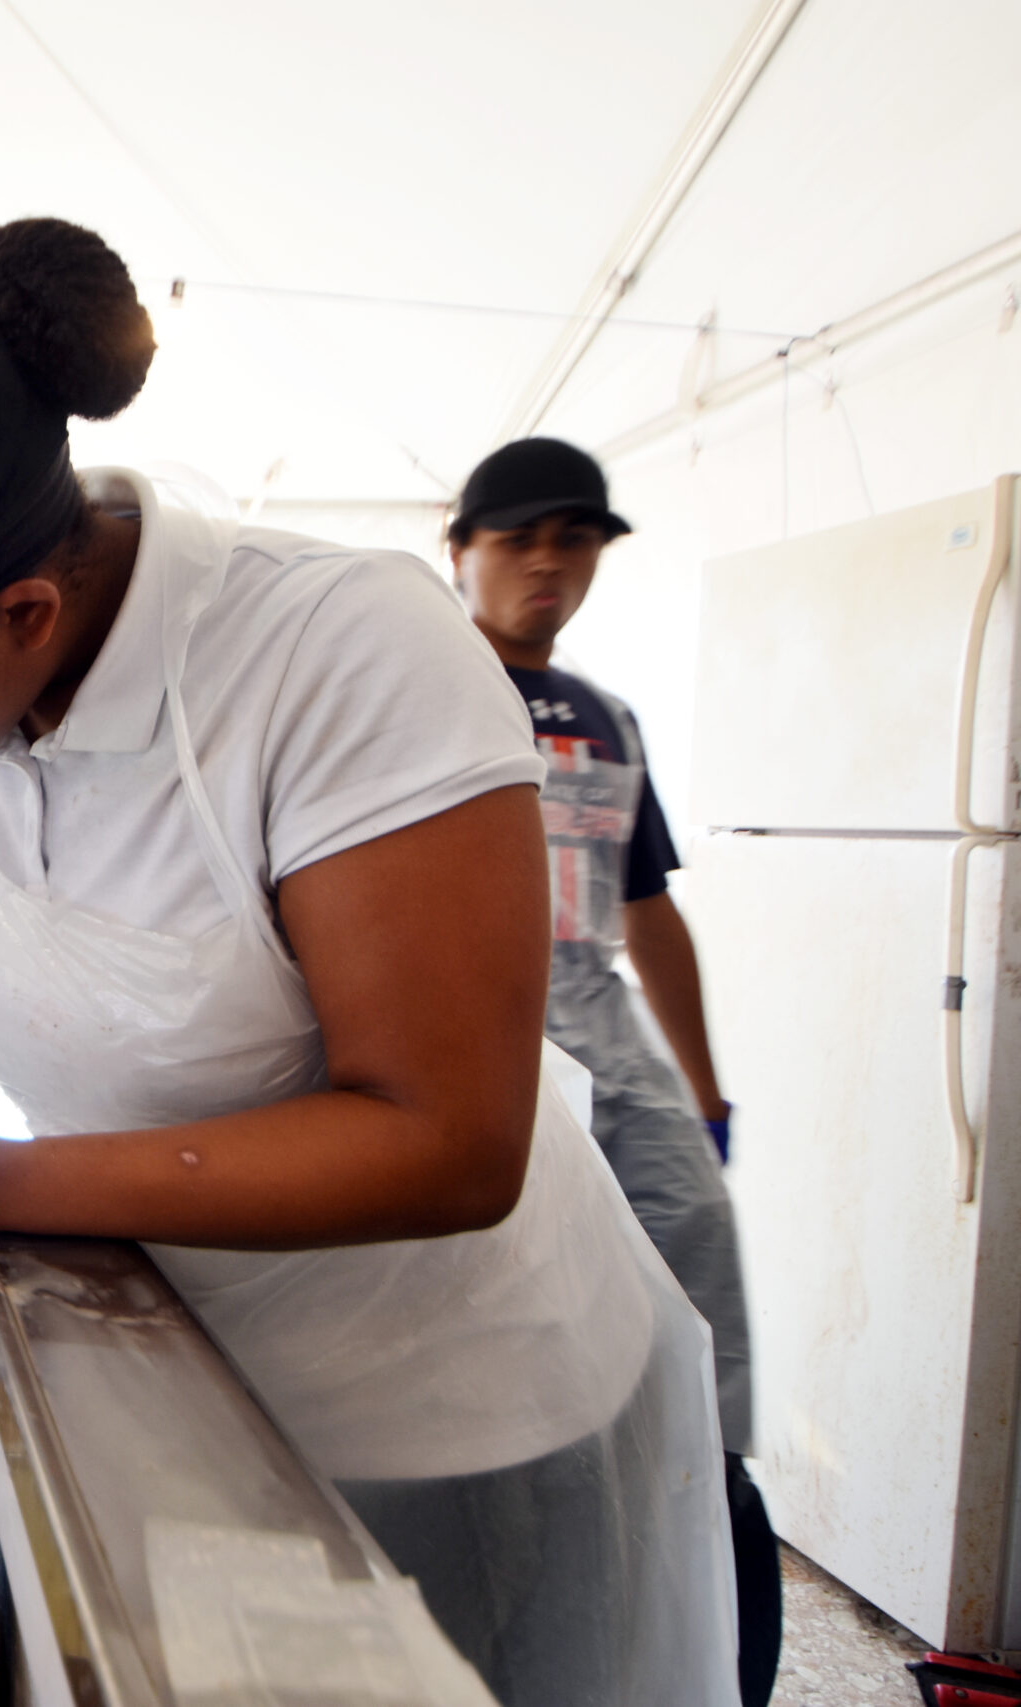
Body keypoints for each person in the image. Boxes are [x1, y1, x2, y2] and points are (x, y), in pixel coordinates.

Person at [0, 220, 737, 1705]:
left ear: (25, 614)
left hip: (438, 1401)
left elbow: (446, 1137)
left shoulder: (334, 658)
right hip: (176, 1347)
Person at [451, 436, 777, 1707]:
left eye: (573, 540)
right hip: (478, 1028)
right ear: (461, 548)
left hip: (608, 1029)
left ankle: (703, 1553)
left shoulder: (605, 714)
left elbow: (648, 913)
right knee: (511, 1340)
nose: (547, 563)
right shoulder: (413, 683)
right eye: (519, 537)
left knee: (693, 1291)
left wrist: (702, 1091)